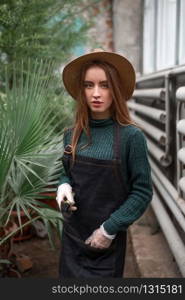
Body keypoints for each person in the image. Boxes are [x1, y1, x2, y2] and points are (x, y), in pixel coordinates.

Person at [56, 48, 153, 278]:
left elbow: (142, 192)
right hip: (72, 240)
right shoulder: (72, 135)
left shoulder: (132, 137)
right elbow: (66, 173)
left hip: (107, 245)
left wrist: (108, 230)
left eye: (105, 85)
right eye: (89, 85)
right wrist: (63, 186)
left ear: (115, 90)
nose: (96, 93)